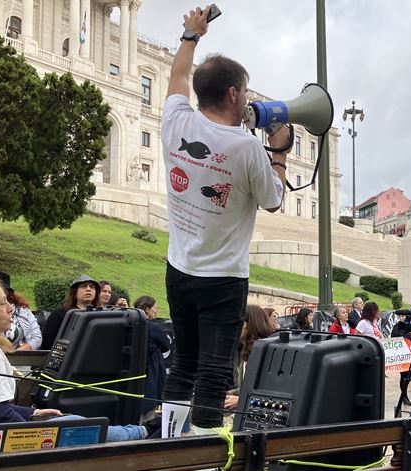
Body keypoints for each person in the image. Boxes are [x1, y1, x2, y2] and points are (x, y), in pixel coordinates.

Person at [160, 5, 290, 435]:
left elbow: (178, 77)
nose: (249, 98)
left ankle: (169, 440)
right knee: (214, 373)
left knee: (183, 363)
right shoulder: (247, 148)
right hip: (222, 278)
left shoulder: (175, 120)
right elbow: (273, 201)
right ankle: (202, 454)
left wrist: (191, 34)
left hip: (178, 269)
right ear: (234, 93)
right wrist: (280, 153)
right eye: (246, 90)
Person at [0, 277, 148, 441]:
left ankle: (142, 431)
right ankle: (145, 432)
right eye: (3, 303)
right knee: (80, 426)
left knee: (70, 421)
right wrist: (36, 434)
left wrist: (32, 413)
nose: (11, 308)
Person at [133, 296, 171, 422]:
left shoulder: (130, 323)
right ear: (147, 309)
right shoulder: (152, 327)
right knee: (147, 413)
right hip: (150, 372)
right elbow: (166, 345)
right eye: (154, 308)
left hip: (133, 372)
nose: (156, 311)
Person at [40, 275, 100, 350]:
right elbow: (48, 343)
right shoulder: (59, 315)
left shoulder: (101, 315)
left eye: (91, 287)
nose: (88, 289)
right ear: (74, 293)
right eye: (83, 286)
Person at [0, 271, 41, 351]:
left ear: (8, 292)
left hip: (20, 358)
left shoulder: (22, 311)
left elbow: (36, 338)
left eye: (3, 290)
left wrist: (16, 354)